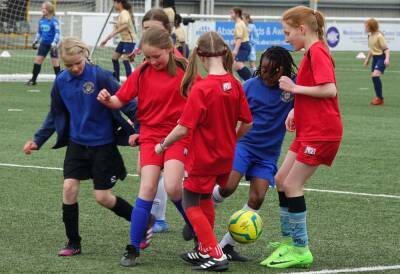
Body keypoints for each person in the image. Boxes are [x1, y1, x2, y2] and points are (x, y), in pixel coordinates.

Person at [23, 36, 153, 257]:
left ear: (84, 55)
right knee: (69, 188)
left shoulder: (100, 76)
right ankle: (73, 242)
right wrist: (38, 140)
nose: (74, 68)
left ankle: (142, 220)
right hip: (77, 144)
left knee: (103, 197)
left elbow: (130, 103)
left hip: (103, 146)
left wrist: (139, 130)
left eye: (78, 63)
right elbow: (55, 114)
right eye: (69, 65)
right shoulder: (61, 81)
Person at [154, 31, 253, 272]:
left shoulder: (203, 88)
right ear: (224, 52)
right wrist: (230, 139)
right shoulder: (235, 85)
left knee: (190, 203)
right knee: (205, 197)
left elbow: (182, 128)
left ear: (199, 54)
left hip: (203, 157)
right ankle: (202, 250)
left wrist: (163, 145)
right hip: (225, 156)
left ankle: (215, 252)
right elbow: (247, 122)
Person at [97, 27, 192, 267]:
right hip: (150, 137)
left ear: (170, 50)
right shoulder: (141, 73)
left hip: (177, 135)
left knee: (173, 187)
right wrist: (108, 100)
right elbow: (120, 99)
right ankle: (133, 246)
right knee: (147, 187)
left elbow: (200, 99)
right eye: (147, 57)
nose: (151, 61)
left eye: (156, 56)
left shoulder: (185, 70)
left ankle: (194, 225)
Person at [260, 6, 343, 269]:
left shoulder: (317, 51)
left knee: (293, 185)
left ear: (302, 29)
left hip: (322, 132)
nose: (286, 39)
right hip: (308, 129)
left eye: (287, 33)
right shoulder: (311, 52)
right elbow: (316, 88)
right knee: (281, 180)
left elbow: (329, 89)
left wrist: (294, 88)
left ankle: (300, 247)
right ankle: (289, 240)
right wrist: (296, 108)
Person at [212, 46, 296, 262]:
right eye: (263, 69)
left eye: (272, 71)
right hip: (244, 146)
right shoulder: (249, 86)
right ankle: (200, 209)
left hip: (268, 154)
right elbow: (230, 112)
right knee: (227, 186)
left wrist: (296, 107)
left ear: (283, 69)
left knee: (257, 198)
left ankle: (225, 246)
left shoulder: (291, 88)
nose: (266, 75)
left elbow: (309, 100)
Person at [100, 0, 136, 81]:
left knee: (126, 60)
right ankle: (116, 80)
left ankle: (130, 82)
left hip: (130, 41)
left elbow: (125, 26)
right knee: (114, 58)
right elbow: (116, 29)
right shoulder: (121, 14)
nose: (113, 5)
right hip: (124, 41)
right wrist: (105, 40)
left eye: (114, 3)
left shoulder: (124, 13)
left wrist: (115, 31)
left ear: (119, 3)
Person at [26, 1, 60, 86]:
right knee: (37, 61)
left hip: (53, 45)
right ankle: (33, 80)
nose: (42, 10)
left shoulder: (54, 20)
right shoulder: (41, 20)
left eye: (43, 8)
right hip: (43, 44)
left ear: (49, 9)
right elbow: (39, 32)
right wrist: (35, 41)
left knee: (55, 63)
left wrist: (54, 42)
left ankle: (59, 81)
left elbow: (57, 33)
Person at [363, 18, 390, 106]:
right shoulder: (369, 35)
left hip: (381, 58)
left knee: (375, 76)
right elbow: (372, 49)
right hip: (375, 58)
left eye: (366, 26)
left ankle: (380, 98)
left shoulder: (379, 36)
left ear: (371, 27)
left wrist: (387, 59)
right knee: (374, 78)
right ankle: (379, 98)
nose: (365, 28)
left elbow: (386, 49)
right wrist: (367, 59)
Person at [229, 7, 252, 81]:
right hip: (244, 45)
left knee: (238, 65)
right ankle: (245, 81)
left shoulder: (239, 24)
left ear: (237, 14)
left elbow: (239, 38)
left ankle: (251, 80)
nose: (230, 15)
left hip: (243, 46)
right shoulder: (240, 23)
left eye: (232, 13)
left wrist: (235, 50)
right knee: (235, 65)